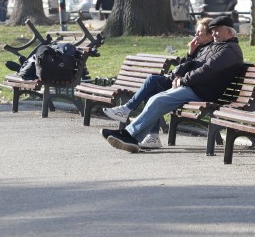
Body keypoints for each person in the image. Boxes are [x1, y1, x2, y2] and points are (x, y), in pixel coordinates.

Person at [101, 15, 244, 153]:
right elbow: (196, 66)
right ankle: (131, 137)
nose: (214, 34)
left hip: (204, 92)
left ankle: (128, 134)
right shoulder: (218, 46)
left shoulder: (230, 50)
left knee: (158, 100)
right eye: (212, 31)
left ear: (228, 31)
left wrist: (182, 80)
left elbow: (207, 71)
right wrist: (185, 68)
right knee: (155, 99)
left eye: (217, 30)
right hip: (196, 88)